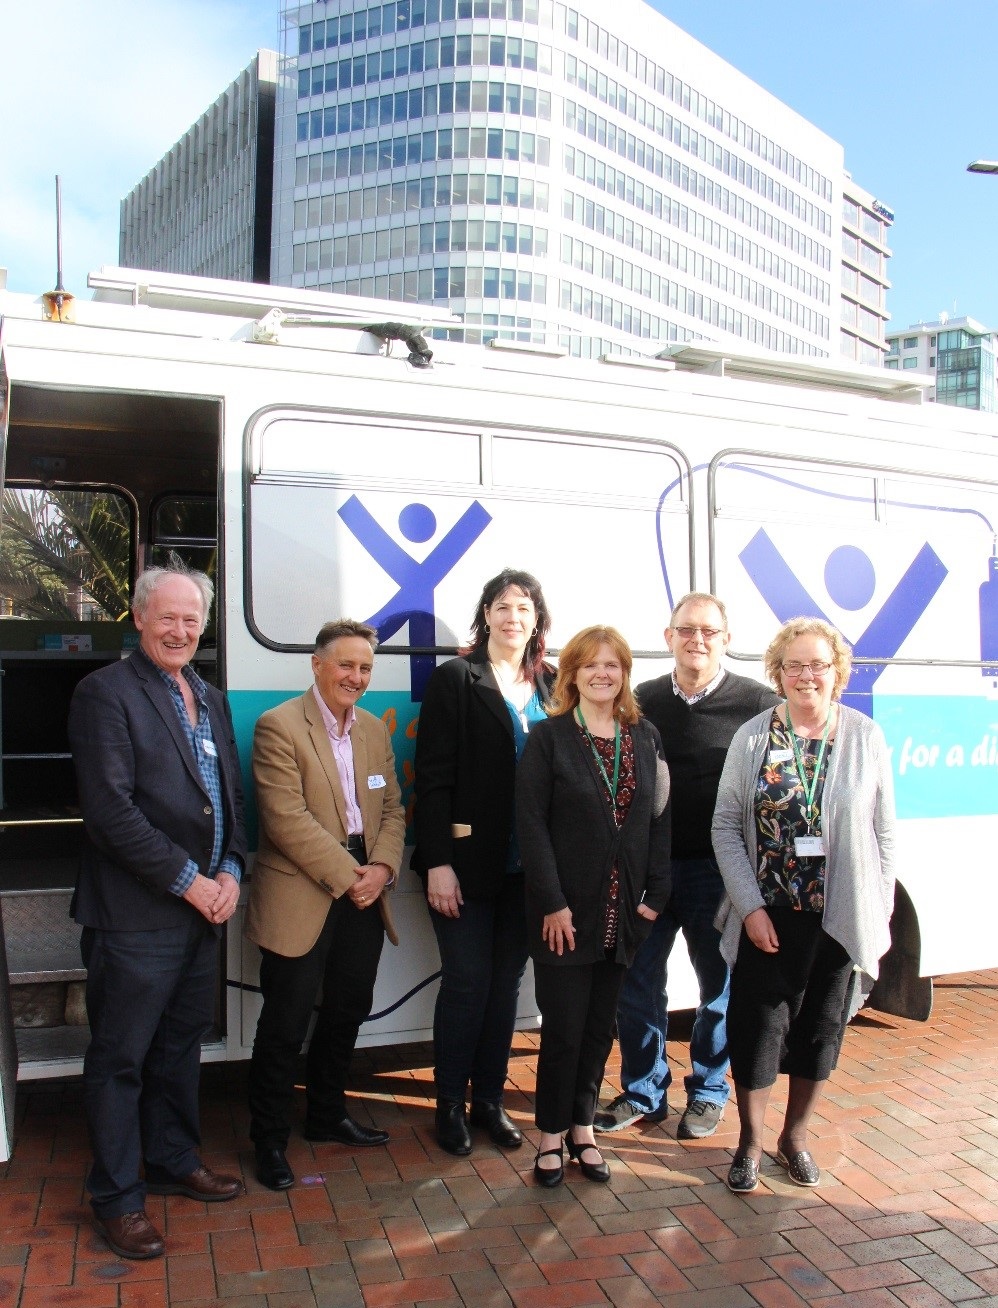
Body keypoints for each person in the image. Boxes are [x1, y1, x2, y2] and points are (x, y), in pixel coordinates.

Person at [68, 562, 246, 1261]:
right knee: (120, 1060)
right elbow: (109, 811)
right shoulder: (104, 693)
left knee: (178, 1051)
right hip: (136, 914)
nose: (179, 629)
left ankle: (172, 1158)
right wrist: (189, 881)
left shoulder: (211, 695)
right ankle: (116, 1198)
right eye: (166, 617)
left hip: (202, 909)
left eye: (191, 619)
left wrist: (229, 868)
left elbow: (227, 796)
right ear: (139, 618)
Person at [712, 617, 896, 1193]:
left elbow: (885, 834)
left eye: (818, 664)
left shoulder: (865, 737)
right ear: (778, 672)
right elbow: (724, 825)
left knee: (820, 1029)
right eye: (794, 665)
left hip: (839, 916)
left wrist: (874, 907)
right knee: (757, 1028)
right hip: (769, 914)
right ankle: (749, 1142)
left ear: (836, 671)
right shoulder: (753, 737)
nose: (806, 675)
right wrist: (749, 907)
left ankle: (794, 1139)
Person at [595, 593, 779, 1139]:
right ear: (668, 635)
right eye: (686, 630)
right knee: (637, 982)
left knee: (717, 986)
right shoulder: (640, 701)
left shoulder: (758, 703)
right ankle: (643, 1091)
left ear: (726, 639)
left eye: (709, 631)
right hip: (649, 870)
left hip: (718, 872)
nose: (697, 640)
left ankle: (708, 1091)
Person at [245, 620, 406, 1191]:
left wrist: (382, 869)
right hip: (306, 890)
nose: (355, 677)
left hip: (364, 886)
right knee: (285, 1023)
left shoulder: (373, 731)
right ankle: (268, 1140)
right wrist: (351, 877)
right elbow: (285, 819)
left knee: (347, 1010)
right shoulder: (279, 727)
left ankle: (326, 1115)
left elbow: (392, 810)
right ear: (317, 664)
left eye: (365, 668)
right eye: (345, 665)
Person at [517, 626, 672, 1187]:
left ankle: (583, 1129)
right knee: (562, 1028)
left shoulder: (645, 737)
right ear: (573, 675)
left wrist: (656, 895)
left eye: (614, 664)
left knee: (600, 1029)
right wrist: (553, 904)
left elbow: (659, 820)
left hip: (622, 913)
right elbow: (531, 827)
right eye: (591, 665)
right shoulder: (549, 738)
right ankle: (550, 1137)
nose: (603, 674)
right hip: (566, 914)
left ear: (624, 673)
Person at [412, 569, 554, 1156]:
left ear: (537, 620)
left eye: (524, 607)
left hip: (530, 870)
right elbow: (434, 778)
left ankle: (489, 1102)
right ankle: (449, 1105)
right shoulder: (457, 679)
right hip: (466, 867)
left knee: (505, 988)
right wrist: (438, 863)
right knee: (467, 983)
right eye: (502, 606)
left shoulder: (552, 684)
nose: (512, 617)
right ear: (486, 615)